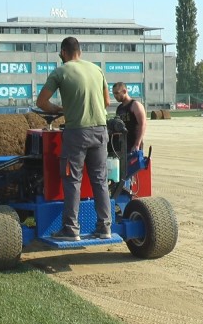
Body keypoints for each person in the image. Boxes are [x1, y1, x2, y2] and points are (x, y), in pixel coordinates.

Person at [36, 36, 112, 241]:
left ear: (63, 52)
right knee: (100, 180)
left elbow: (41, 102)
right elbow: (106, 101)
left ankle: (71, 228)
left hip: (77, 133)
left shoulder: (60, 71)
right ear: (80, 51)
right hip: (101, 130)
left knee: (72, 180)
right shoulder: (97, 69)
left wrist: (60, 109)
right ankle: (104, 227)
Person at [112, 82, 147, 151]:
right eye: (113, 94)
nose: (115, 96)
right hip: (122, 145)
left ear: (124, 91)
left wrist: (137, 144)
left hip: (133, 145)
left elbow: (143, 124)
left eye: (117, 93)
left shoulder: (135, 105)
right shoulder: (119, 108)